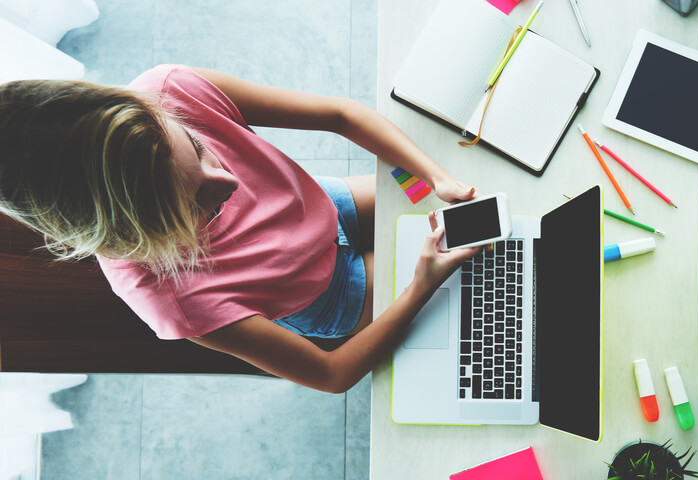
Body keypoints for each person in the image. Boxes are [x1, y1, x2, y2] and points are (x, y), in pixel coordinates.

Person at [0, 65, 480, 393]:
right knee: (476, 282)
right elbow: (331, 375)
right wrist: (420, 286)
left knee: (483, 221)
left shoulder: (171, 91)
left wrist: (435, 175)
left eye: (198, 148)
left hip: (328, 205)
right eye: (198, 204)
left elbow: (340, 115)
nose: (228, 181)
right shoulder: (167, 296)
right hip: (332, 293)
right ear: (148, 237)